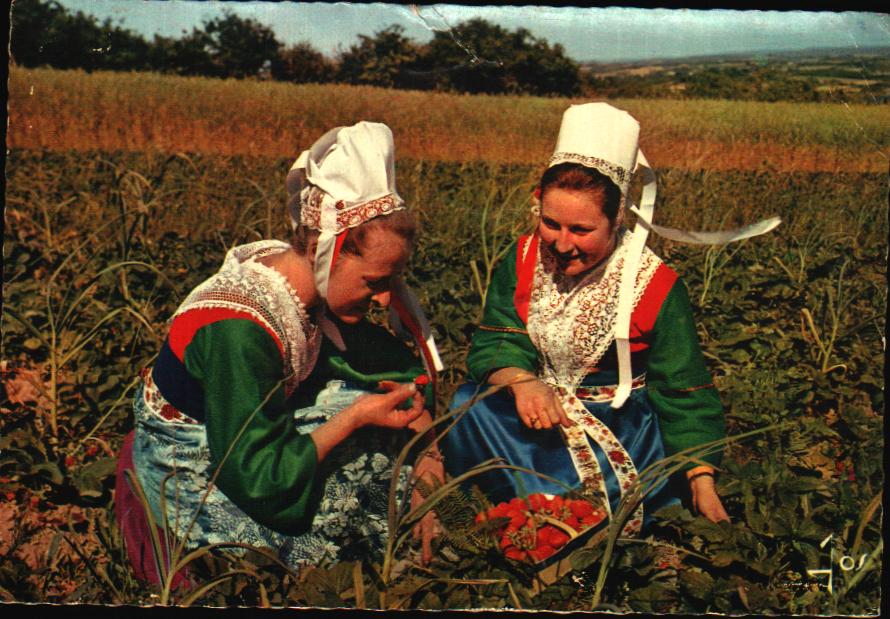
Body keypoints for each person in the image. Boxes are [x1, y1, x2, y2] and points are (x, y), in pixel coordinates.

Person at [114, 122, 445, 583]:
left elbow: (391, 367)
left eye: (393, 281)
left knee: (387, 448)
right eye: (376, 282)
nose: (387, 300)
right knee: (343, 512)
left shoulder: (303, 285)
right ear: (326, 250)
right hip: (195, 461)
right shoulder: (241, 328)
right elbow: (256, 476)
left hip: (242, 435)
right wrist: (353, 418)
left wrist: (427, 447)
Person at [442, 103, 777, 540]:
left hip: (619, 428)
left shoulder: (655, 286)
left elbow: (684, 390)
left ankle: (551, 518)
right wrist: (521, 381)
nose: (562, 245)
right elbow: (497, 339)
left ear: (617, 219)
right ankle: (523, 517)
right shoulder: (523, 258)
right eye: (550, 223)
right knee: (467, 405)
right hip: (535, 413)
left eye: (581, 230)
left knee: (586, 511)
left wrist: (700, 481)